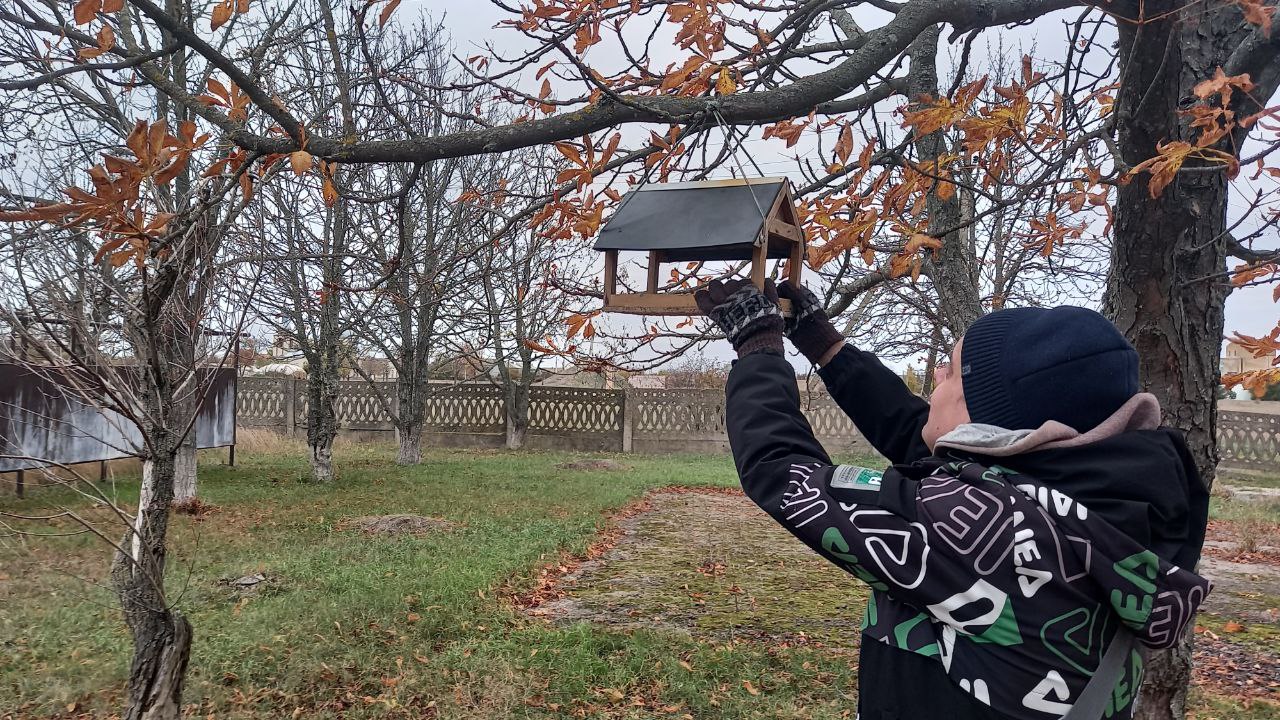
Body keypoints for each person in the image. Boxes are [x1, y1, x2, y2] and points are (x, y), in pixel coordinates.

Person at [693, 278, 1211, 720]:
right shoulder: (1098, 504)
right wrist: (826, 347)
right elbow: (922, 437)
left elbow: (785, 475)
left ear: (992, 421)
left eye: (952, 369)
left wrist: (759, 348)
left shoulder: (986, 528)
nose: (937, 374)